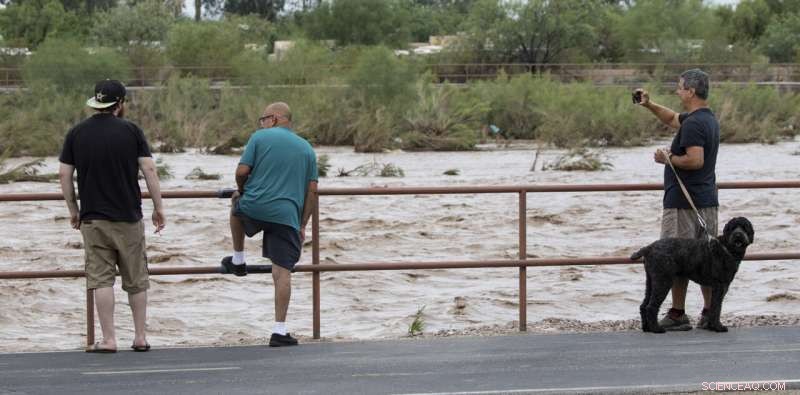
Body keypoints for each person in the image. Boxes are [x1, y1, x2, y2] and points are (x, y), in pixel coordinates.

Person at [59, 79, 165, 353]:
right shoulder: (131, 131)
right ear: (119, 104)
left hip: (93, 218)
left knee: (101, 279)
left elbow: (64, 175)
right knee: (136, 279)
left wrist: (73, 209)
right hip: (128, 216)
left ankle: (108, 339)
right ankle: (140, 337)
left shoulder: (76, 133)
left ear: (96, 102)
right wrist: (158, 207)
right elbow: (150, 170)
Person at [220, 102, 318, 347]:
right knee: (282, 273)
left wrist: (242, 191)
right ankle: (279, 331)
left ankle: (239, 259)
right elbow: (313, 192)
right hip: (287, 215)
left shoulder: (260, 137)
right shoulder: (307, 149)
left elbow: (242, 171)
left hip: (255, 206)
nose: (261, 123)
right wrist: (302, 223)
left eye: (262, 118)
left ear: (274, 118)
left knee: (236, 206)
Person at [634, 69, 720, 331]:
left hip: (684, 203)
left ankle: (677, 314)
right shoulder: (706, 118)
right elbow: (672, 118)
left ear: (691, 92)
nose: (677, 91)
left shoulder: (693, 124)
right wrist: (648, 104)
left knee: (675, 259)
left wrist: (666, 158)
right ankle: (709, 313)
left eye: (680, 87)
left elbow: (695, 160)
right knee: (707, 260)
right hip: (706, 201)